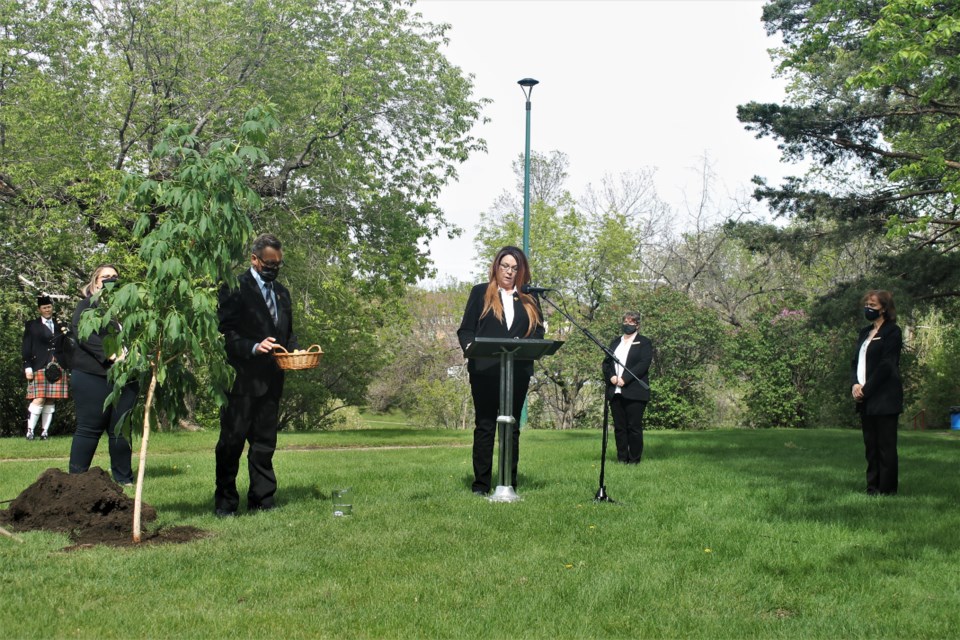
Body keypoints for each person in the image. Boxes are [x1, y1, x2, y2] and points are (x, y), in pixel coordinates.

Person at [215, 233, 298, 517]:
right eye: (269, 263)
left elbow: (287, 333)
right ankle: (225, 503)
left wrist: (294, 352)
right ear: (254, 259)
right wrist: (252, 346)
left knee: (264, 444)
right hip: (241, 380)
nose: (273, 268)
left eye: (278, 264)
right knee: (231, 443)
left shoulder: (283, 293)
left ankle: (263, 501)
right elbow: (225, 332)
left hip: (273, 380)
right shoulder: (234, 287)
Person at [457, 246, 544, 496]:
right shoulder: (481, 292)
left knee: (511, 427)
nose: (509, 272)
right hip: (485, 370)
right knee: (485, 426)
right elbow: (466, 330)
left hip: (517, 371)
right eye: (505, 266)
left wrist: (531, 346)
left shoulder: (529, 298)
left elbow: (538, 332)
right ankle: (481, 486)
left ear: (521, 271)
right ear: (496, 266)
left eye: (514, 268)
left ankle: (509, 483)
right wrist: (471, 348)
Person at [68, 264, 138, 485]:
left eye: (115, 277)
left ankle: (124, 479)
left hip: (126, 378)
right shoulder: (87, 306)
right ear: (95, 282)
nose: (110, 280)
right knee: (89, 428)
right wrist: (111, 355)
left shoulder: (128, 310)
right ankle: (76, 481)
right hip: (93, 376)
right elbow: (82, 333)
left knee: (121, 430)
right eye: (105, 276)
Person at [850, 289, 903, 496]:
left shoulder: (892, 332)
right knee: (870, 446)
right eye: (867, 305)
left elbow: (887, 365)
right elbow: (855, 362)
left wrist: (867, 389)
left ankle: (887, 490)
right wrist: (855, 385)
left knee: (885, 447)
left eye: (873, 306)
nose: (868, 309)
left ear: (884, 309)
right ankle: (872, 488)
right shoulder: (864, 332)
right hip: (865, 398)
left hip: (884, 397)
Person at [602, 311, 652, 464]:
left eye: (631, 322)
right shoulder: (615, 342)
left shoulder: (644, 342)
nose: (627, 324)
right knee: (619, 427)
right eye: (625, 321)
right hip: (615, 391)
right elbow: (606, 363)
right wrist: (611, 377)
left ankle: (634, 460)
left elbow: (643, 363)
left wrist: (625, 379)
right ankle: (622, 459)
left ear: (637, 325)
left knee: (634, 427)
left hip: (634, 391)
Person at [22, 295, 69, 440]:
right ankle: (30, 431)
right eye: (44, 308)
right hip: (39, 365)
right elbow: (26, 347)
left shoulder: (60, 324)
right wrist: (27, 367)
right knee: (39, 398)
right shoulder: (31, 325)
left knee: (50, 399)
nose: (47, 310)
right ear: (39, 309)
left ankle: (44, 432)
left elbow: (67, 346)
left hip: (58, 364)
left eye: (49, 307)